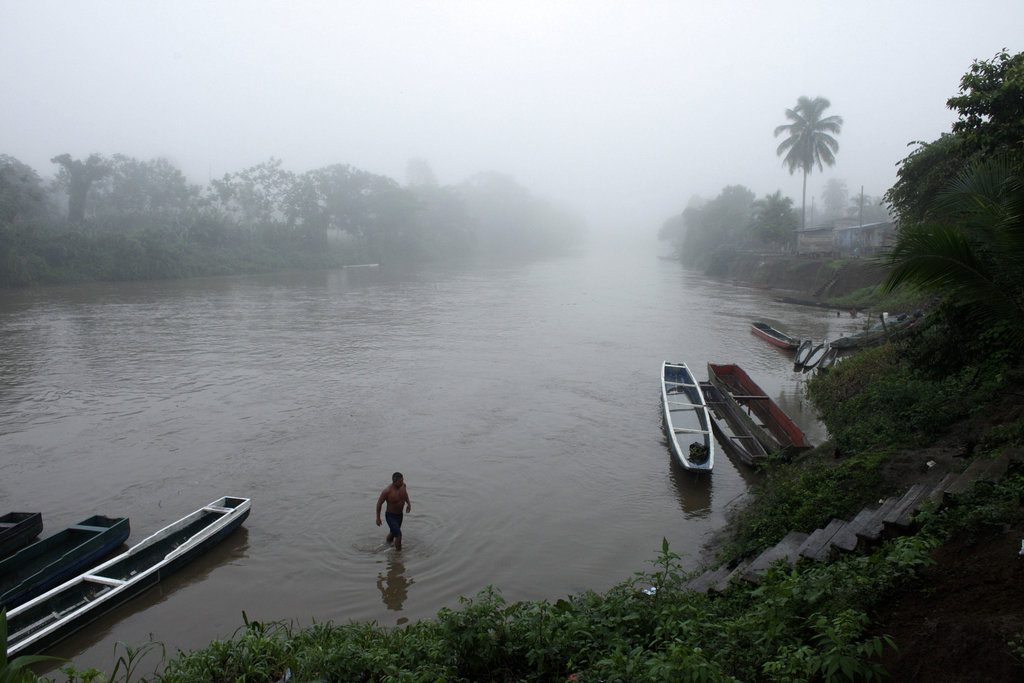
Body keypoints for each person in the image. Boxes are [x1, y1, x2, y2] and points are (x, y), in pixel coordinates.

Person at [376, 472, 412, 551]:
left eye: (403, 480)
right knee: (398, 535)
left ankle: (387, 544)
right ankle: (398, 555)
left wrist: (409, 504)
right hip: (390, 516)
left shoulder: (403, 486)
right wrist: (378, 518)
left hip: (400, 515)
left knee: (393, 532)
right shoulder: (387, 491)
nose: (402, 482)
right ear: (395, 481)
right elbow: (379, 504)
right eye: (400, 481)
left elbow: (405, 494)